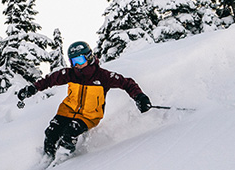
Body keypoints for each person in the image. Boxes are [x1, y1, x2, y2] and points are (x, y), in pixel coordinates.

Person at [17, 41, 152, 158]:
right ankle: (48, 157)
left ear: (89, 58)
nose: (77, 65)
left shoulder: (103, 76)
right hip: (67, 111)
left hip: (89, 116)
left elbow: (127, 83)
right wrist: (33, 88)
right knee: (51, 131)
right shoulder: (70, 74)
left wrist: (140, 97)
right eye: (74, 62)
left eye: (80, 60)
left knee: (70, 133)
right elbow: (49, 80)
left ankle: (64, 158)